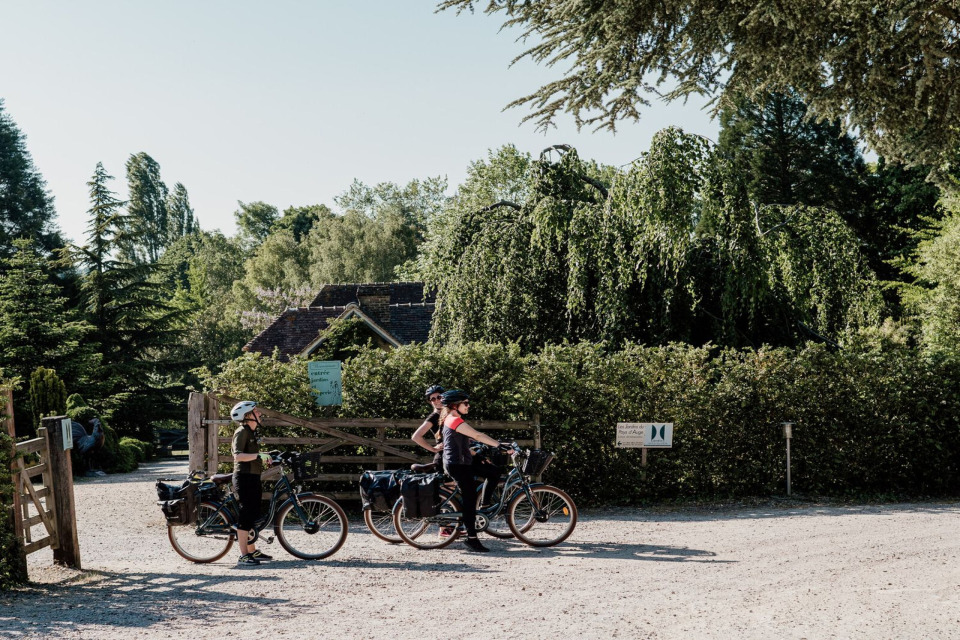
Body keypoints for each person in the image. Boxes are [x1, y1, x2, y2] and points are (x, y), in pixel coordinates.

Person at [440, 389, 512, 552]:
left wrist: (480, 456)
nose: (468, 405)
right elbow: (478, 435)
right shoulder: (453, 420)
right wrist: (499, 445)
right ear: (454, 406)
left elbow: (466, 442)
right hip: (457, 465)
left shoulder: (455, 419)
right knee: (470, 499)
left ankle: (485, 505)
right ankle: (471, 538)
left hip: (464, 461)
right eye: (465, 403)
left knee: (493, 472)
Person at [230, 400, 273, 566]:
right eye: (256, 411)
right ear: (248, 416)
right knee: (246, 514)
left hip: (253, 476)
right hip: (244, 477)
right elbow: (238, 456)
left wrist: (267, 456)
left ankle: (252, 550)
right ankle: (243, 555)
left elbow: (254, 455)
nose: (260, 414)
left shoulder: (251, 433)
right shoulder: (242, 432)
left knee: (253, 513)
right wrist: (258, 456)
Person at [411, 384, 445, 467]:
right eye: (433, 399)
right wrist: (433, 449)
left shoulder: (447, 414)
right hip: (444, 458)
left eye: (439, 397)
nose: (437, 400)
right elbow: (416, 437)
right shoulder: (434, 417)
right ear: (430, 402)